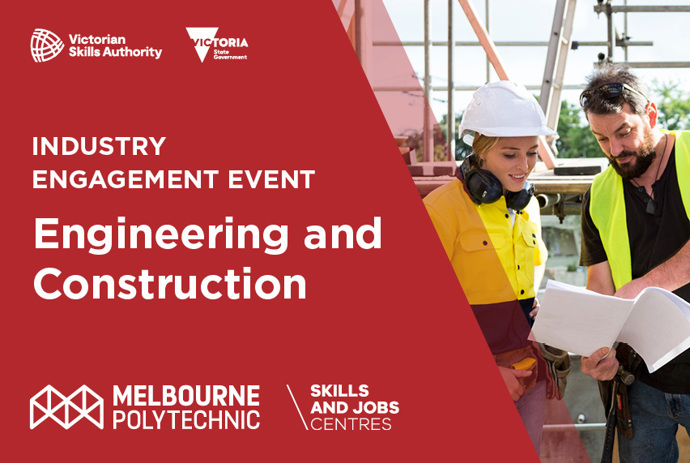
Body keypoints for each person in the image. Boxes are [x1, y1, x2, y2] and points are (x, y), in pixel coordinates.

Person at [423, 81, 556, 453]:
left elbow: (530, 275)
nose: (524, 167)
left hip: (527, 372)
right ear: (480, 150)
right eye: (510, 154)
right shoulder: (442, 210)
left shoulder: (528, 207)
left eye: (531, 153)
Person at [578, 64, 690, 462]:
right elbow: (601, 286)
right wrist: (597, 348)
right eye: (601, 138)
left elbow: (632, 289)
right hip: (642, 386)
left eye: (623, 132)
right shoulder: (601, 193)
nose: (614, 149)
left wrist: (643, 285)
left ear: (651, 114)